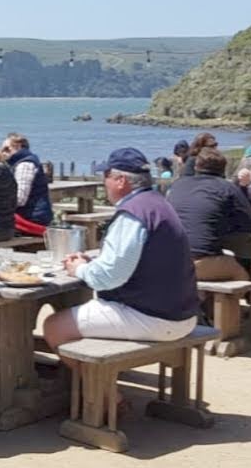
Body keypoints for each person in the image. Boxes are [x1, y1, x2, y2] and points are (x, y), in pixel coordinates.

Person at [43, 149, 199, 350]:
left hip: (155, 317)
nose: (103, 182)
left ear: (120, 180)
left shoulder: (132, 215)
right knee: (80, 317)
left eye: (106, 176)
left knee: (54, 327)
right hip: (181, 312)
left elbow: (110, 277)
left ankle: (88, 381)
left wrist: (79, 269)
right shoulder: (157, 203)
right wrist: (91, 264)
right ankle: (88, 377)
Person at [167, 148, 251, 281]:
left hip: (166, 259)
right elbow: (248, 224)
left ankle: (203, 300)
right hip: (199, 262)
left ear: (196, 166)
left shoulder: (178, 185)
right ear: (223, 169)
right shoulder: (227, 188)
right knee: (242, 277)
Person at [3, 133, 53, 236]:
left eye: (6, 149)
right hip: (33, 214)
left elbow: (20, 199)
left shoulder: (24, 165)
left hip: (32, 218)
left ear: (18, 147)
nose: (3, 153)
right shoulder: (20, 163)